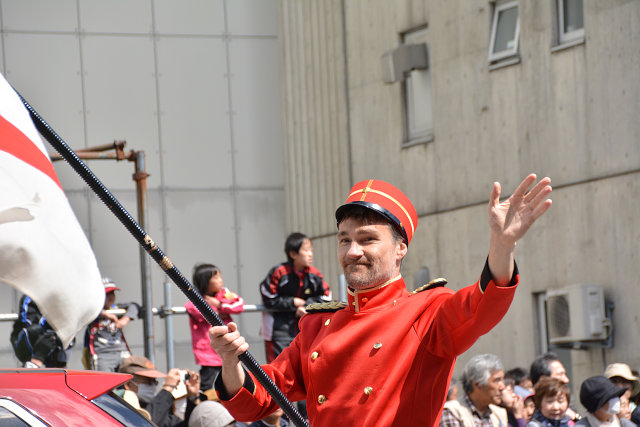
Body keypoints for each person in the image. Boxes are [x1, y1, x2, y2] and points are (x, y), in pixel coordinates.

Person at [210, 175, 552, 426]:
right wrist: (230, 362)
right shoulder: (317, 325)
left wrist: (502, 248)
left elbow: (481, 309)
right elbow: (257, 402)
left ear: (401, 248)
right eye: (344, 240)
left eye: (367, 239)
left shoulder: (426, 311)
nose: (352, 251)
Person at [259, 232, 332, 363]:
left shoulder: (314, 274)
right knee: (277, 369)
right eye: (306, 250)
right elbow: (268, 297)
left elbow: (326, 296)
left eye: (311, 250)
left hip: (305, 330)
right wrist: (292, 302)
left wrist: (306, 306)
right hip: (278, 332)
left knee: (302, 371)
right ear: (293, 254)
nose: (311, 254)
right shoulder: (279, 272)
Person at [186, 264, 245, 392]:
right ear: (205, 281)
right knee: (207, 387)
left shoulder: (224, 294)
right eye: (216, 277)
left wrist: (219, 304)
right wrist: (219, 310)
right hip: (208, 354)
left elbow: (239, 304)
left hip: (229, 350)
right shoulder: (195, 299)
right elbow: (194, 310)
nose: (221, 280)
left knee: (234, 383)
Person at [118, 355, 202, 427]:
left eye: (154, 381)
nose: (153, 386)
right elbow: (144, 423)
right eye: (148, 381)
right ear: (128, 385)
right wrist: (168, 388)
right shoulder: (116, 407)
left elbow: (183, 425)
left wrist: (193, 397)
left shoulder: (153, 406)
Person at [84, 277, 139, 372]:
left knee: (132, 377)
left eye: (112, 293)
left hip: (122, 352)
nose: (111, 296)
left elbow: (134, 306)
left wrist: (125, 320)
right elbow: (84, 308)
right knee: (105, 382)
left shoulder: (117, 308)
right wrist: (105, 314)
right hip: (102, 354)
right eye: (107, 293)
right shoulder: (93, 310)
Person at [440, 354, 508, 427]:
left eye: (502, 380)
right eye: (496, 380)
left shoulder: (499, 414)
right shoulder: (452, 411)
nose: (503, 387)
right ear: (477, 384)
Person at [10, 294, 71, 368]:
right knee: (38, 332)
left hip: (49, 338)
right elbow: (28, 323)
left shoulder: (63, 300)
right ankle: (34, 364)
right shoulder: (30, 297)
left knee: (65, 336)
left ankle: (59, 370)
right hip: (26, 342)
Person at [530, 352, 579, 422]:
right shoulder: (529, 416)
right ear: (543, 379)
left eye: (560, 401)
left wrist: (576, 418)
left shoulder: (568, 415)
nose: (566, 380)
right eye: (560, 374)